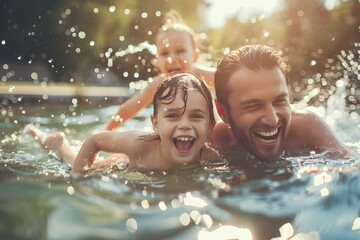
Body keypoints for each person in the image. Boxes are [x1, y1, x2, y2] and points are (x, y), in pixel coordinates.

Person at [26, 73, 219, 175]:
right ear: (156, 125)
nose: (184, 125)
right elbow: (95, 141)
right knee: (73, 163)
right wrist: (77, 179)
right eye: (173, 116)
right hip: (121, 163)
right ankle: (58, 144)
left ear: (210, 126)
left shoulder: (210, 158)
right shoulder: (139, 144)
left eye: (195, 116)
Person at [210, 44, 353, 162]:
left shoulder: (307, 127)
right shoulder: (215, 141)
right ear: (223, 112)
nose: (272, 120)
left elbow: (351, 166)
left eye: (280, 101)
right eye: (253, 106)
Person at [104, 10, 216, 131]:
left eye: (180, 51)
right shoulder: (159, 83)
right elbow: (127, 109)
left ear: (195, 56)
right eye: (164, 53)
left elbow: (228, 79)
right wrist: (104, 133)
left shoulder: (202, 76)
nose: (172, 59)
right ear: (157, 60)